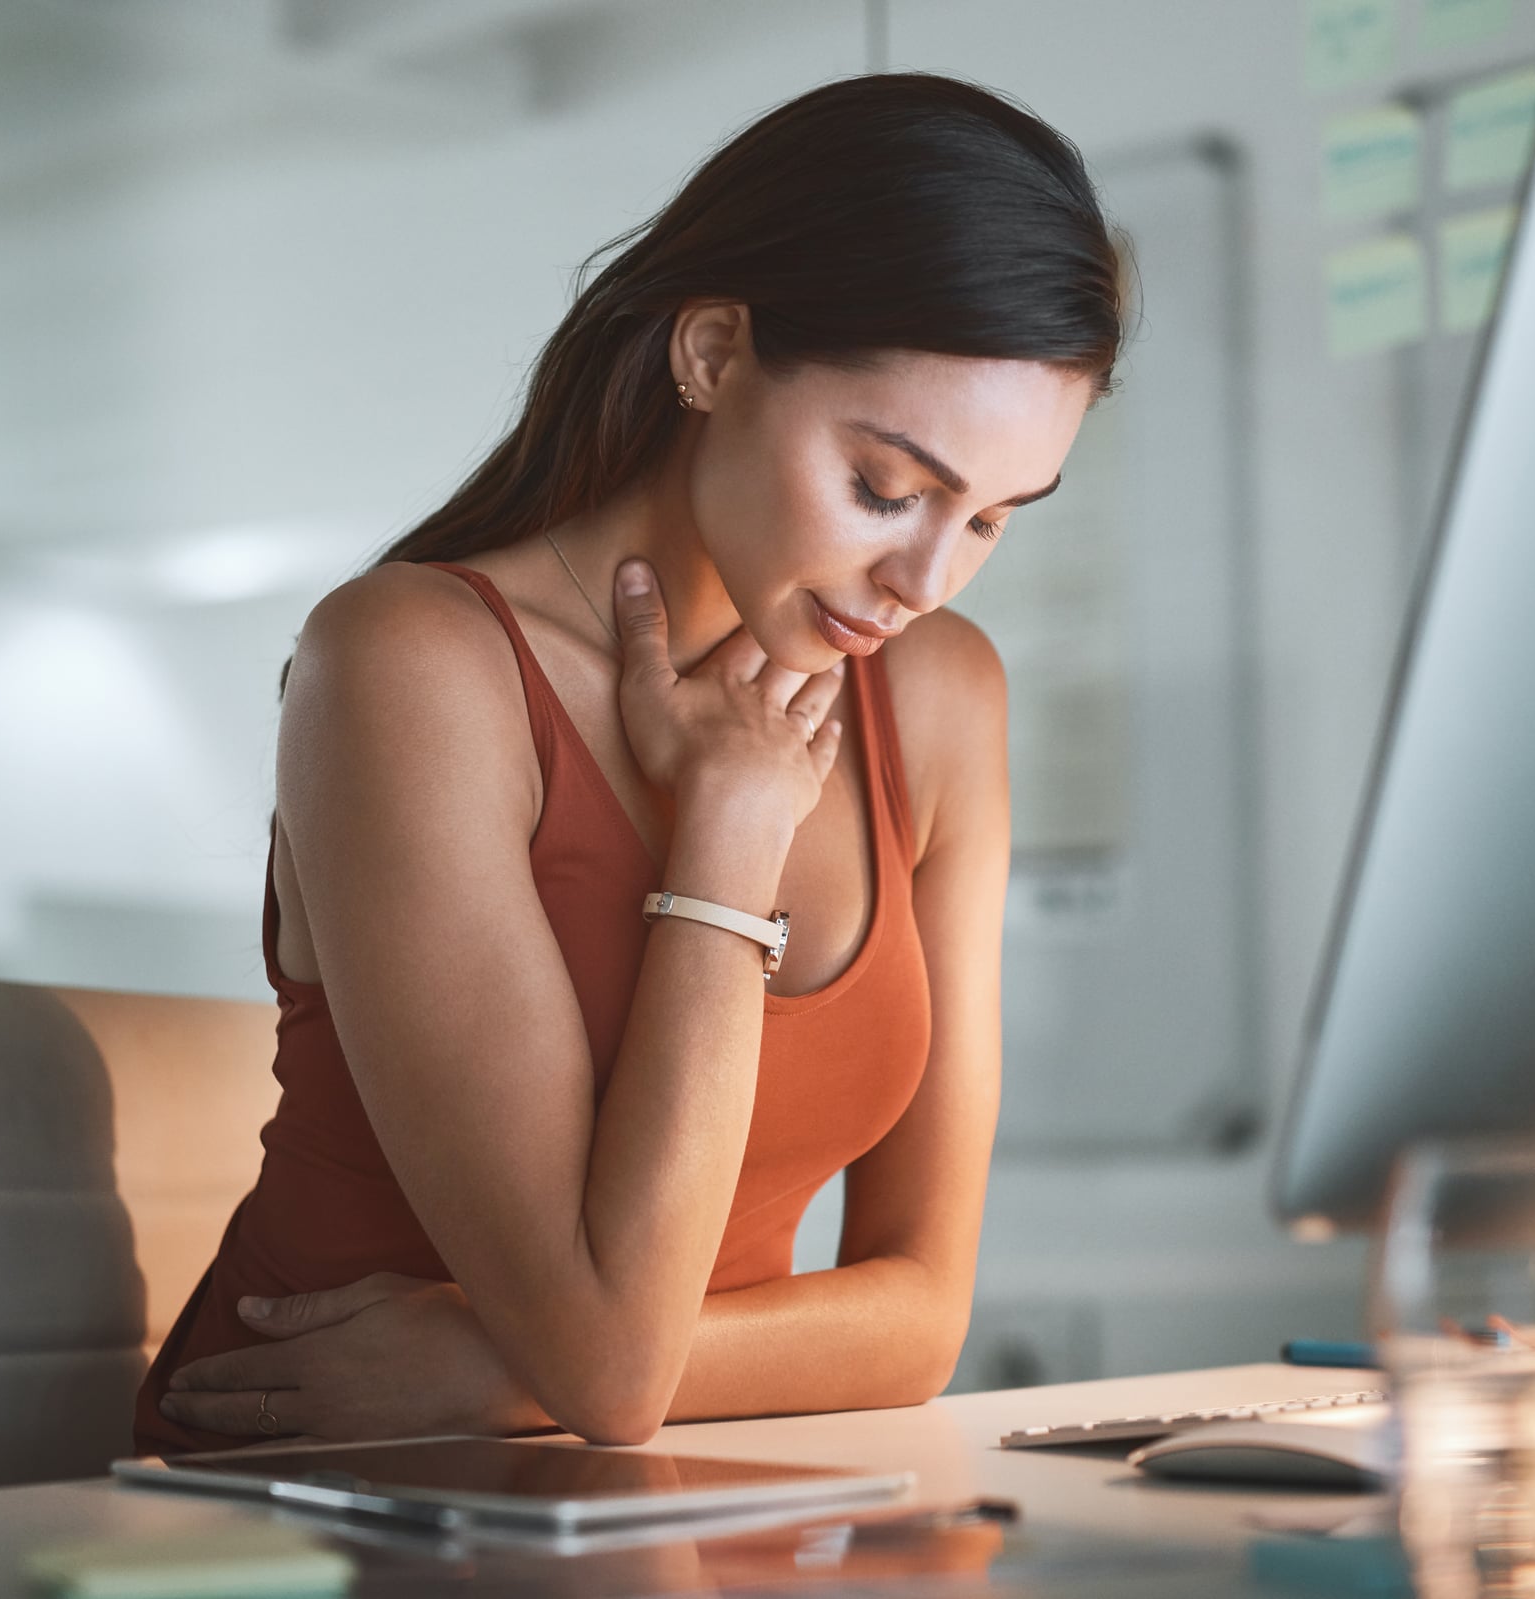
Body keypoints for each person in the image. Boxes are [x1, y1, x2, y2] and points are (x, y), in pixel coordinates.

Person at [134, 72, 1124, 1453]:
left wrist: (496, 1370)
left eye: (992, 520)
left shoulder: (940, 697)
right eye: (885, 489)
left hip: (677, 1485)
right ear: (714, 353)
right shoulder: (412, 665)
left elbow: (920, 1314)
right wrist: (731, 823)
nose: (922, 579)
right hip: (322, 1487)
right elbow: (607, 1367)